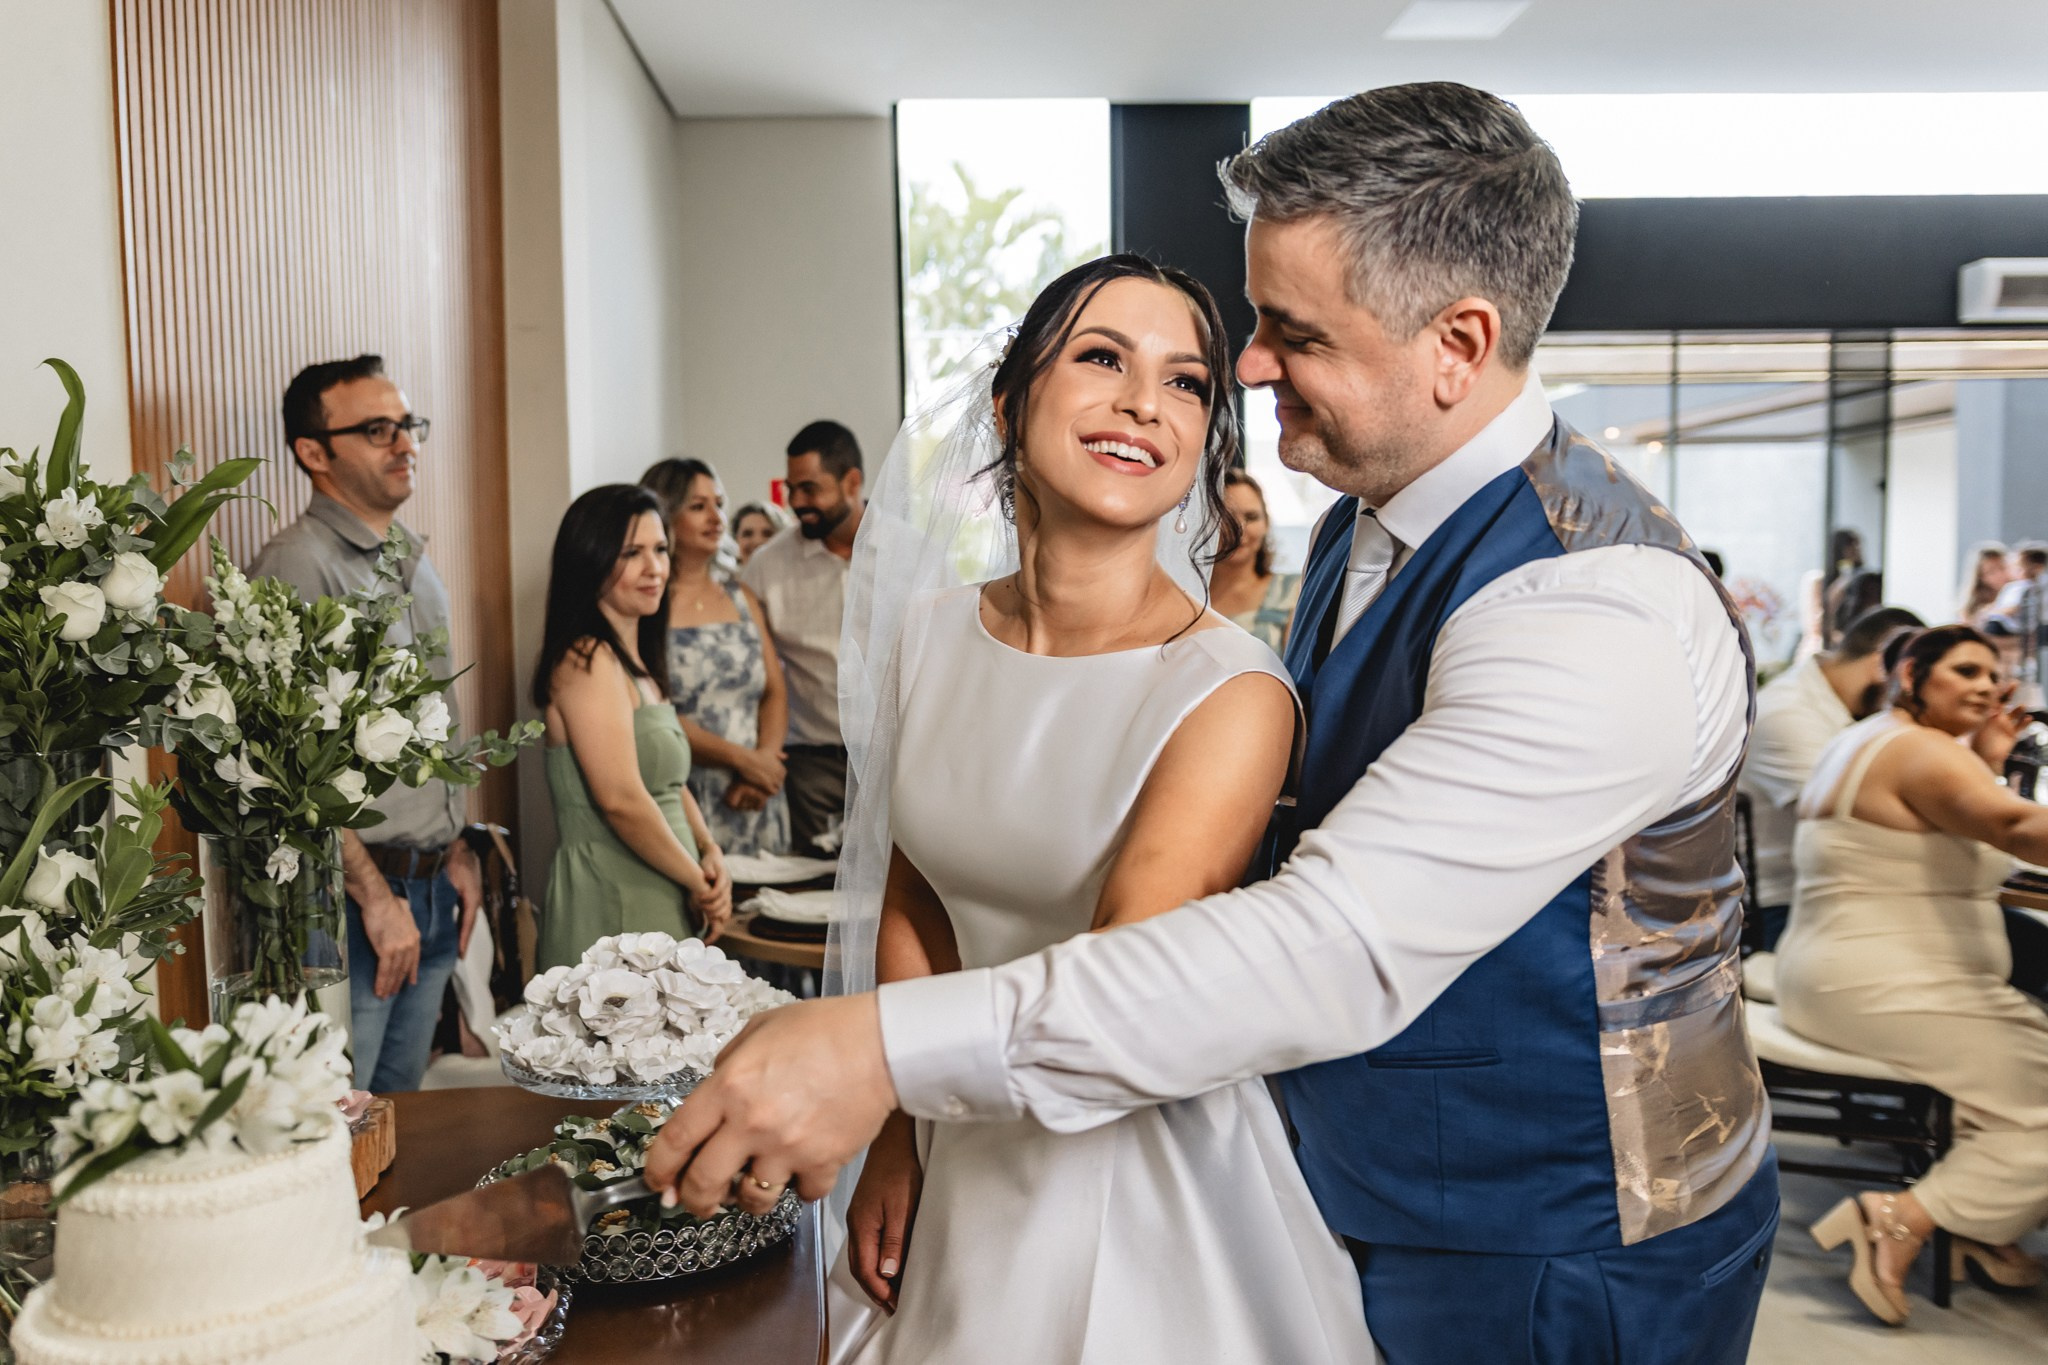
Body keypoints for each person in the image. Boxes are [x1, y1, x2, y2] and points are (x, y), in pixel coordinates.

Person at [648, 83, 1777, 1365]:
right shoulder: (1370, 514)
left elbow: (1328, 943)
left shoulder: (1593, 609)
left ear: (1455, 346)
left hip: (1552, 1245)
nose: (1242, 367)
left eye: (1286, 332)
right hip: (1333, 1177)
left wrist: (877, 1052)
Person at [822, 255, 1373, 1364]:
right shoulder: (923, 637)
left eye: (1185, 383)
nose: (1140, 404)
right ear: (1008, 397)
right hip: (951, 1130)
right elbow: (917, 892)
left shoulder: (1229, 692)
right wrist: (896, 1136)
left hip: (1133, 1171)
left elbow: (1128, 978)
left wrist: (863, 1062)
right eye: (1101, 359)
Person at [1778, 625, 2048, 1323]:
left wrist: (1985, 756)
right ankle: (1901, 1216)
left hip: (1835, 977)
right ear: (1911, 677)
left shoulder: (1870, 736)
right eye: (1965, 670)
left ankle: (1982, 1225)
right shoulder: (1920, 751)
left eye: (1995, 673)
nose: (1989, 686)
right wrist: (1985, 768)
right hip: (1886, 986)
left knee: (2016, 1077)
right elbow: (2016, 829)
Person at [251, 354, 484, 1093]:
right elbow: (284, 760)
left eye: (408, 425)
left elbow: (434, 729)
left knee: (399, 1124)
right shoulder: (299, 565)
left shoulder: (410, 557)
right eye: (377, 429)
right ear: (314, 453)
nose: (405, 443)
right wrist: (376, 897)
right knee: (344, 1130)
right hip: (349, 902)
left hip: (430, 884)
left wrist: (456, 845)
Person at [531, 485, 732, 968]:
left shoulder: (636, 664)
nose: (655, 568)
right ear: (591, 561)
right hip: (612, 896)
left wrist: (709, 850)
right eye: (632, 553)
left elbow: (667, 782)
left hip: (663, 888)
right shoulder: (587, 658)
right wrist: (696, 881)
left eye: (660, 550)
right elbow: (621, 800)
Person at [1739, 605, 1924, 949]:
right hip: (1790, 906)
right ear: (1883, 666)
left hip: (1860, 892)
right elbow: (1856, 820)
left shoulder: (1847, 710)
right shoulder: (1787, 714)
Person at [640, 458, 792, 859]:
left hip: (756, 794)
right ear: (664, 514)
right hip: (686, 793)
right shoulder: (648, 606)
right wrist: (745, 761)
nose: (716, 517)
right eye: (698, 506)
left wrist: (763, 769)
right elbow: (652, 710)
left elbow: (774, 691)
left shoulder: (741, 596)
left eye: (719, 504)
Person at [741, 421, 865, 855]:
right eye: (792, 489)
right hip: (811, 766)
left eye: (810, 489)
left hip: (893, 761)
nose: (796, 503)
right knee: (813, 898)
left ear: (852, 482)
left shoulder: (913, 553)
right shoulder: (766, 567)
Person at [1208, 467, 1303, 652]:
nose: (1239, 530)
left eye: (1251, 517)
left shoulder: (1296, 591)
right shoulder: (1186, 596)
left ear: (1266, 523)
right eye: (1226, 517)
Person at [1957, 541, 2013, 628]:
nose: (2000, 575)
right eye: (1991, 572)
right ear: (1981, 577)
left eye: (2002, 567)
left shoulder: (2023, 593)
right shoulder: (1971, 608)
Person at [731, 500, 792, 565]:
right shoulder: (724, 574)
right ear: (736, 539)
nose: (757, 541)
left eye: (767, 534)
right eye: (747, 534)